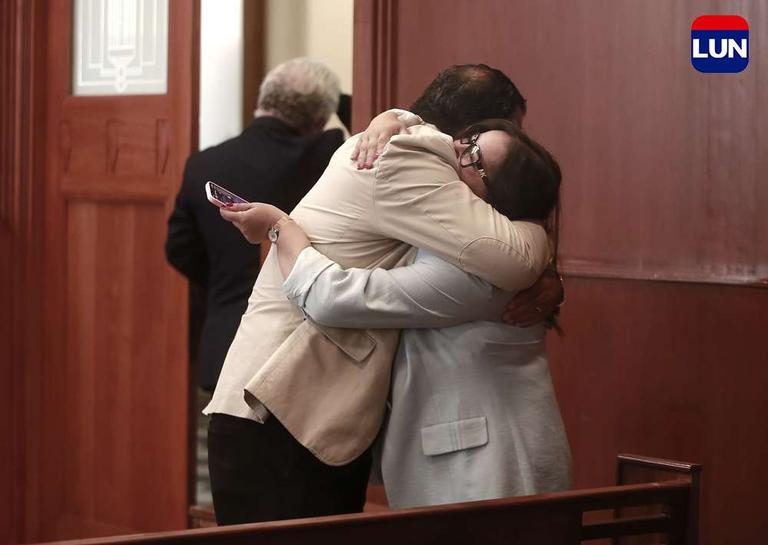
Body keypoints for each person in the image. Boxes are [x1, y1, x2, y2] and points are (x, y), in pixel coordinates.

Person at [204, 63, 563, 525]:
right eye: (487, 136)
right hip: (280, 408)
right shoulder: (402, 156)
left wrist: (282, 226)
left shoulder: (435, 191)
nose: (463, 150)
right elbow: (515, 258)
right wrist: (281, 226)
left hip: (317, 414)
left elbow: (510, 258)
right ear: (465, 129)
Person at [164, 58, 344, 392]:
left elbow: (179, 249)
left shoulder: (204, 164)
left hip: (226, 347)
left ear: (262, 100)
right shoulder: (328, 157)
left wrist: (227, 283)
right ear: (319, 119)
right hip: (302, 356)